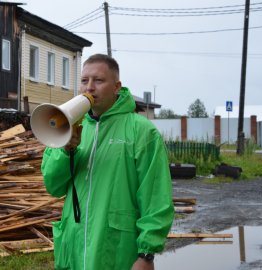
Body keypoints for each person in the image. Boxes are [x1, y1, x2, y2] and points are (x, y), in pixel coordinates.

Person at [41, 54, 174, 270]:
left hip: (117, 252)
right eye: (84, 81)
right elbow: (53, 186)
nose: (89, 87)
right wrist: (66, 152)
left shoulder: (141, 131)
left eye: (99, 80)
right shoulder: (70, 126)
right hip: (73, 249)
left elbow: (155, 197)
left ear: (116, 87)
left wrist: (146, 254)